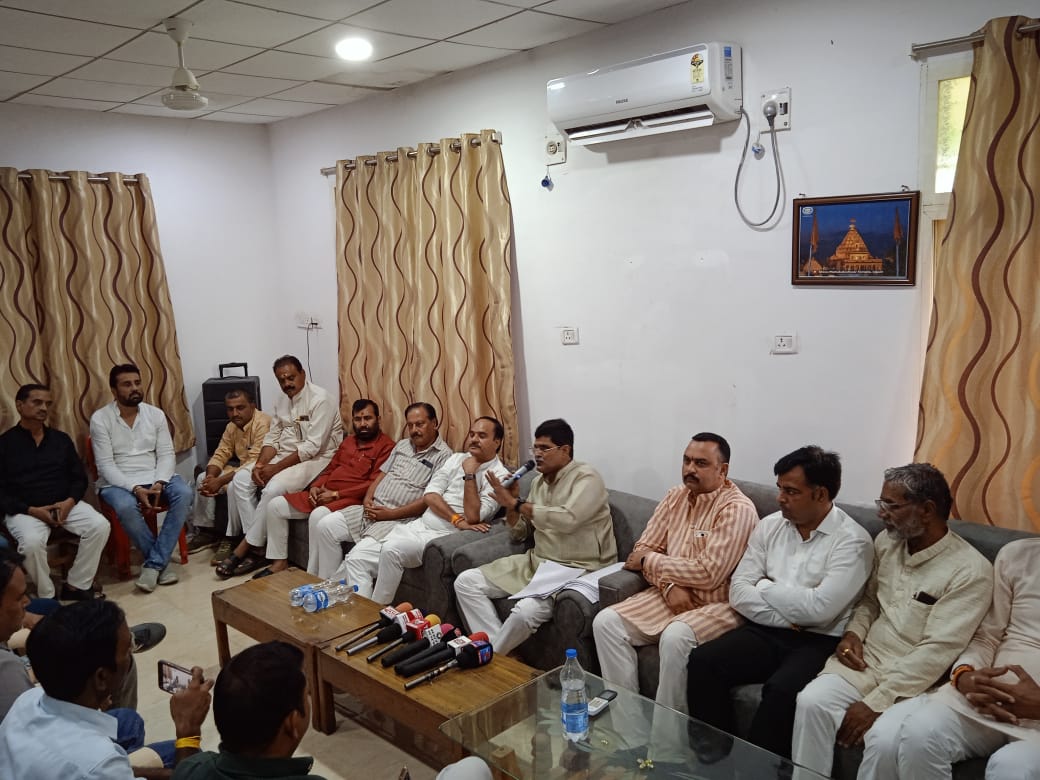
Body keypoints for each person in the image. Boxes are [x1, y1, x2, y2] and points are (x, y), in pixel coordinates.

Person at [791, 463, 994, 778]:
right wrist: (853, 634)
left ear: (926, 510)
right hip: (866, 661)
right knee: (811, 701)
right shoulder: (887, 542)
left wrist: (877, 701)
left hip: (919, 682)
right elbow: (870, 600)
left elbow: (938, 649)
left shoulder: (970, 571)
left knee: (884, 740)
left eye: (891, 505)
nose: (881, 513)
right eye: (881, 503)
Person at [684, 445, 875, 760]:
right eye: (780, 488)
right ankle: (712, 761)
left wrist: (764, 586)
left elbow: (820, 611)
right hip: (766, 630)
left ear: (820, 494)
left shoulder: (852, 542)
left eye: (791, 491)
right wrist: (793, 617)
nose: (780, 498)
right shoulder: (770, 525)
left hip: (819, 640)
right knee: (704, 661)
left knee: (782, 692)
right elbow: (738, 593)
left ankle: (758, 770)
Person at [592, 433, 758, 732]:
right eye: (686, 460)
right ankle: (630, 735)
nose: (690, 469)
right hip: (669, 594)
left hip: (718, 603)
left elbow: (709, 573)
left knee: (675, 638)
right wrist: (669, 586)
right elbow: (640, 551)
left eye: (701, 463)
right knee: (606, 623)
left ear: (722, 470)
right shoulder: (674, 496)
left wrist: (651, 561)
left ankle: (668, 746)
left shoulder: (737, 509)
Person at [856, 536, 1040, 780]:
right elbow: (987, 637)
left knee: (1012, 766)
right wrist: (964, 673)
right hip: (989, 700)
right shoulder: (1017, 555)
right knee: (920, 732)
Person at [172, 640, 492, 780]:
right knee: (472, 769)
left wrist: (187, 731)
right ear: (292, 723)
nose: (310, 699)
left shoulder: (194, 769)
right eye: (307, 695)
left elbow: (189, 770)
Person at [455, 418, 618, 655]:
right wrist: (512, 505)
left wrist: (517, 504)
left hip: (579, 569)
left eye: (545, 448)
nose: (537, 454)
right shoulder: (539, 483)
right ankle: (501, 654)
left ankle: (492, 657)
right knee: (466, 582)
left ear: (565, 450)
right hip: (539, 564)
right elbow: (520, 533)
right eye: (535, 448)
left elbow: (568, 519)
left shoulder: (587, 478)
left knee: (524, 613)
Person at [0, 599, 212, 778]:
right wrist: (188, 729)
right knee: (196, 761)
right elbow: (96, 768)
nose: (130, 656)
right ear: (101, 677)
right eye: (128, 650)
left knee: (128, 720)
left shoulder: (27, 700)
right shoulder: (98, 763)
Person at [345, 416, 510, 604]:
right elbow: (430, 495)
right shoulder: (456, 458)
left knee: (392, 550)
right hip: (418, 526)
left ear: (497, 442)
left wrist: (470, 475)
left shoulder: (501, 476)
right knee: (356, 558)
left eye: (482, 436)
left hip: (442, 536)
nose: (474, 439)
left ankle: (377, 612)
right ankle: (361, 614)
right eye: (472, 434)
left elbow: (474, 517)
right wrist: (457, 519)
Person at [218, 356, 342, 578]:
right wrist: (260, 464)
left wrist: (274, 470)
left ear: (303, 374)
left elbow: (312, 447)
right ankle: (257, 547)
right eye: (281, 380)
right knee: (241, 479)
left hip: (318, 459)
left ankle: (245, 547)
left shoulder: (321, 399)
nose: (287, 383)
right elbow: (272, 438)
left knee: (273, 488)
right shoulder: (282, 400)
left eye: (291, 377)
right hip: (285, 455)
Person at [309, 401, 451, 578]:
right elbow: (382, 475)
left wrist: (390, 514)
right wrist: (368, 498)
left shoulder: (445, 456)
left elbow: (429, 499)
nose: (414, 430)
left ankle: (333, 587)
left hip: (398, 519)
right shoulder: (403, 445)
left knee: (356, 557)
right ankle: (323, 581)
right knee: (325, 526)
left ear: (434, 423)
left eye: (420, 424)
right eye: (410, 425)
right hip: (370, 510)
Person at [254, 399, 394, 577]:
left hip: (350, 499)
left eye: (368, 418)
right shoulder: (348, 442)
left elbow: (373, 484)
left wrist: (336, 494)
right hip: (324, 493)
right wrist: (315, 486)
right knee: (275, 506)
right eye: (358, 419)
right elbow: (330, 468)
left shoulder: (387, 447)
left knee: (318, 515)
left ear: (378, 419)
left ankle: (314, 575)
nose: (363, 424)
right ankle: (279, 562)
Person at [90, 364, 194, 593]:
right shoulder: (100, 419)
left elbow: (166, 454)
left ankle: (154, 563)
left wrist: (160, 482)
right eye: (127, 384)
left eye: (137, 383)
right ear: (114, 390)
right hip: (117, 481)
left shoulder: (155, 414)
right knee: (125, 506)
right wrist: (135, 488)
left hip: (156, 475)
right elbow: (105, 466)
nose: (134, 388)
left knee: (184, 493)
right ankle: (160, 563)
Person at [1, 384, 109, 600]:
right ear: (20, 405)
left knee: (99, 526)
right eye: (37, 402)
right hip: (25, 510)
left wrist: (69, 503)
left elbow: (78, 478)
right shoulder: (5, 444)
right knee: (31, 543)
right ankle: (47, 595)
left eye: (47, 404)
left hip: (64, 505)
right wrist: (32, 510)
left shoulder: (60, 440)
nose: (43, 408)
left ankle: (76, 586)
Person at [189, 388, 271, 565]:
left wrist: (220, 481)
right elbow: (221, 453)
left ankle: (246, 542)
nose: (234, 413)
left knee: (234, 484)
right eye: (230, 409)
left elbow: (255, 461)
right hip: (241, 468)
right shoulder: (231, 426)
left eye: (240, 408)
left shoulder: (263, 423)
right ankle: (207, 532)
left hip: (259, 470)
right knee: (202, 478)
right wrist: (211, 478)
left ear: (252, 406)